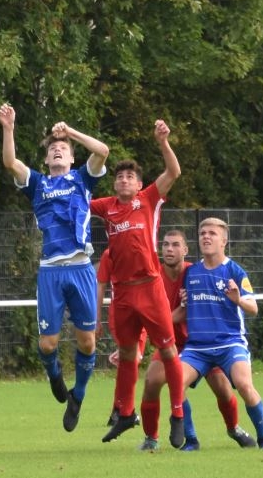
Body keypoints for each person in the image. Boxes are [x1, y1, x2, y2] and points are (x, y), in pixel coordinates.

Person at [0, 103, 109, 433]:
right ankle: (55, 376)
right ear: (46, 160)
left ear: (71, 158)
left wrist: (69, 131)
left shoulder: (83, 179)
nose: (58, 150)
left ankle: (79, 396)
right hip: (50, 271)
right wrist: (8, 128)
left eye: (64, 149)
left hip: (81, 268)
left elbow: (103, 150)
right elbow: (10, 162)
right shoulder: (37, 184)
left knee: (87, 342)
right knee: (47, 345)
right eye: (53, 149)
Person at [90, 119, 185, 449]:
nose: (124, 179)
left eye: (130, 176)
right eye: (119, 176)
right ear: (114, 184)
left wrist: (163, 143)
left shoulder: (148, 198)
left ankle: (177, 414)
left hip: (149, 286)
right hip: (123, 293)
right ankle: (126, 413)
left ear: (140, 183)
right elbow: (76, 201)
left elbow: (174, 172)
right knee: (128, 353)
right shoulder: (107, 207)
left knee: (168, 350)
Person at [139, 229, 256, 451]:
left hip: (201, 342)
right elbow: (145, 313)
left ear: (185, 250)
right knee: (152, 381)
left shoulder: (195, 272)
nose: (169, 249)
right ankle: (153, 438)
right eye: (165, 245)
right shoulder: (154, 277)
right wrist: (140, 340)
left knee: (223, 390)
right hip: (170, 343)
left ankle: (233, 428)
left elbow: (193, 308)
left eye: (175, 245)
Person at [176, 217, 263, 449]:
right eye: (202, 233)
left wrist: (238, 299)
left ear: (224, 241)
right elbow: (185, 309)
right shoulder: (191, 272)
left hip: (230, 343)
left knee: (244, 385)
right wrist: (181, 305)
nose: (206, 237)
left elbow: (253, 308)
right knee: (176, 384)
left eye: (212, 233)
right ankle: (191, 440)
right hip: (197, 347)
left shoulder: (234, 271)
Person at [96, 248, 148, 426]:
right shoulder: (110, 254)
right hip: (121, 314)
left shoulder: (144, 250)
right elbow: (100, 285)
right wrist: (97, 319)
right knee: (132, 360)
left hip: (143, 313)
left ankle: (118, 411)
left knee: (130, 363)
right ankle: (125, 411)